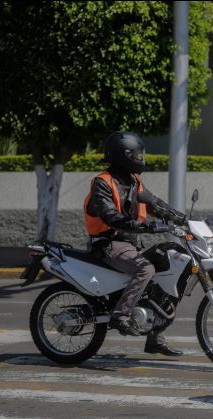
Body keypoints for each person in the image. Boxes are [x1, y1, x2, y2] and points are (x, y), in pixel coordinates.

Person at [84, 131, 186, 357]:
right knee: (146, 268)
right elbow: (110, 216)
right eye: (137, 154)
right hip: (109, 244)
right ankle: (120, 315)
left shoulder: (134, 180)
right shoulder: (103, 183)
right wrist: (143, 227)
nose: (141, 158)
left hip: (131, 245)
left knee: (174, 261)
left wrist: (183, 219)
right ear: (124, 155)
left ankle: (155, 337)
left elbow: (156, 204)